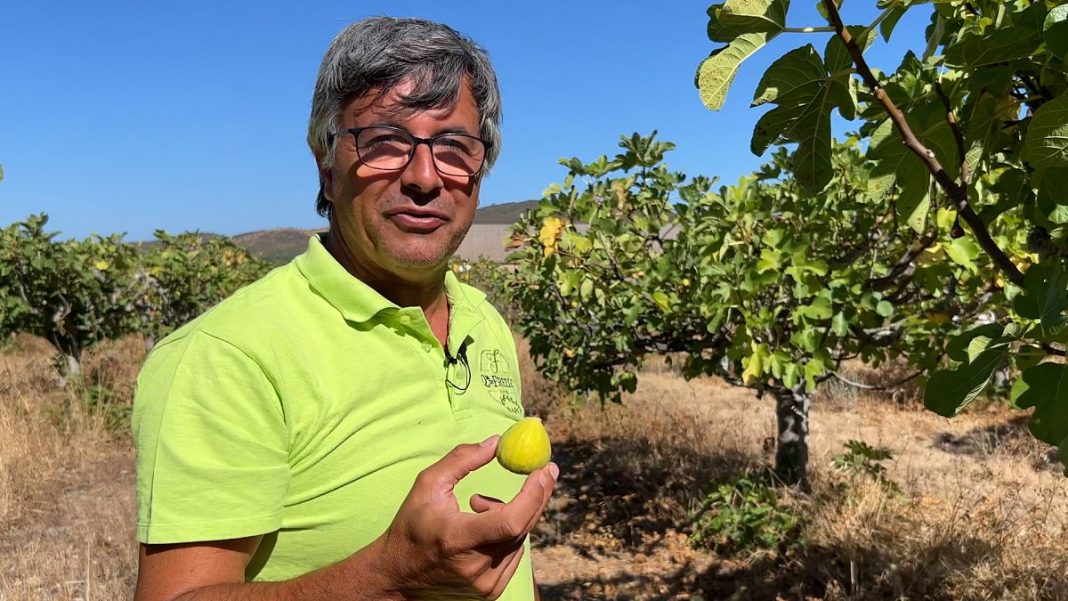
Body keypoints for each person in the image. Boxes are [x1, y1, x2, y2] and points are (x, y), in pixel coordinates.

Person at [131, 16, 558, 601]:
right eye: (384, 143)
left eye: (454, 148)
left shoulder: (484, 321)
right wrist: (389, 577)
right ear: (325, 165)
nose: (425, 177)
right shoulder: (227, 358)